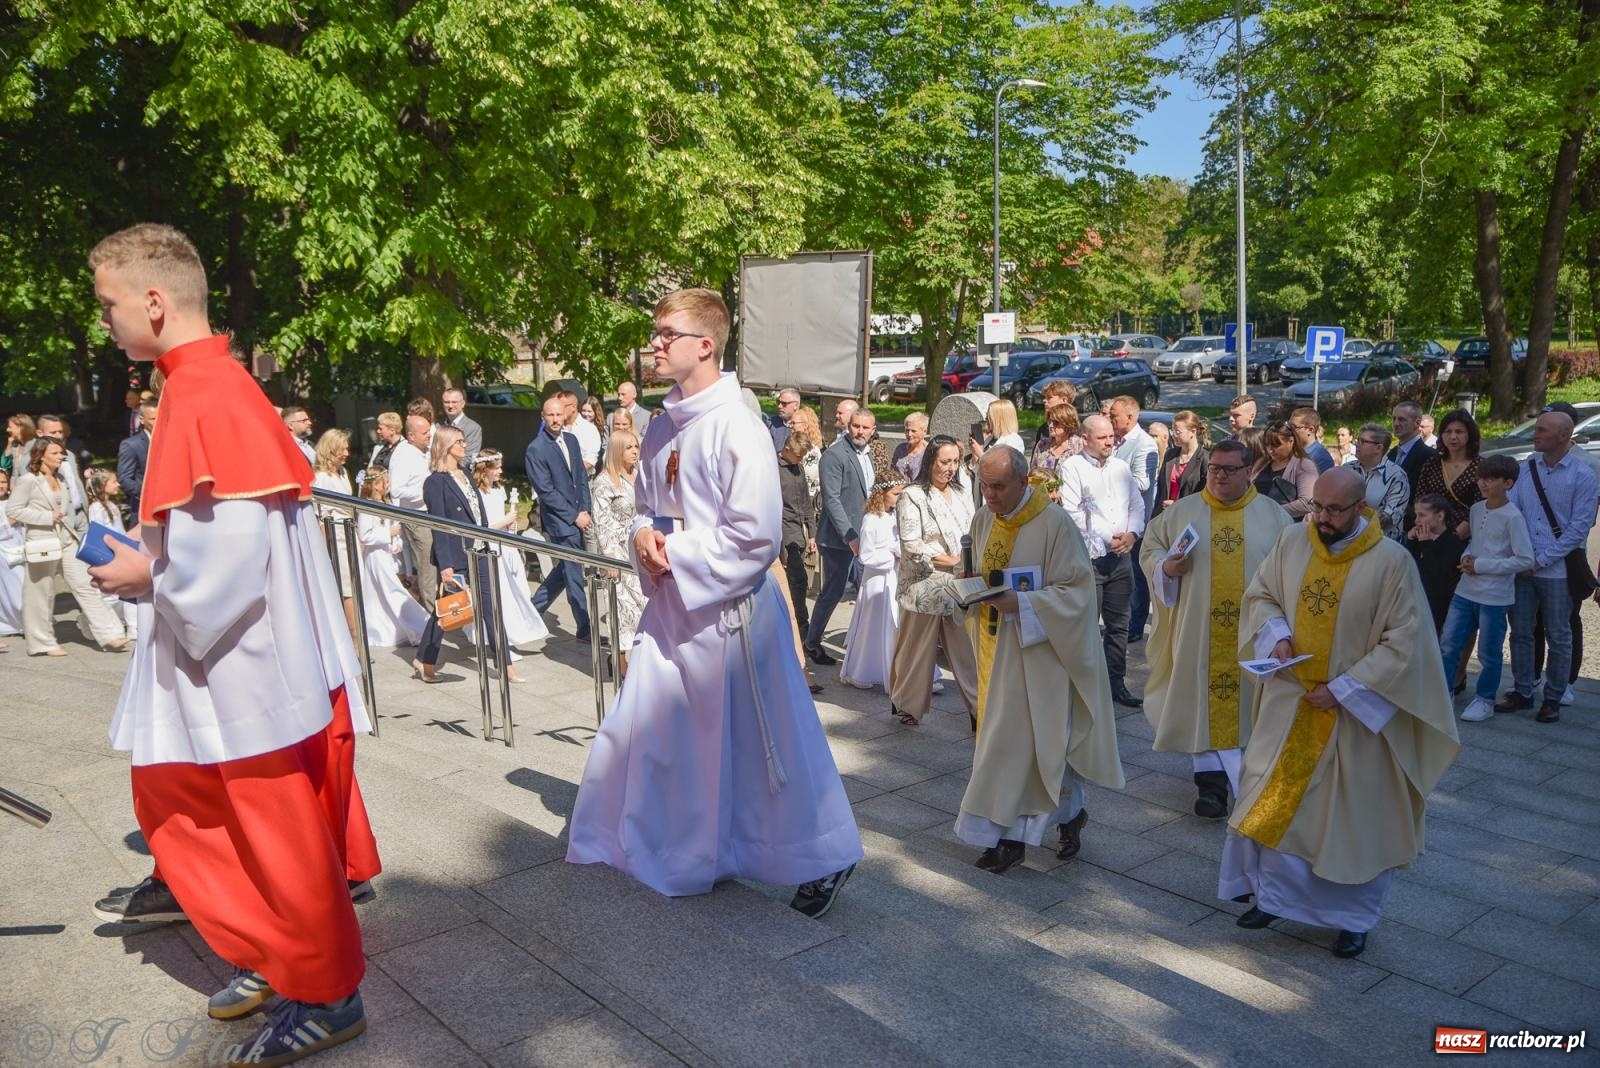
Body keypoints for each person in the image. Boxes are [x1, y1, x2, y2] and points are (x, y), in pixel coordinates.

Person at [85, 223, 378, 1063]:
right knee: (205, 814)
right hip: (244, 658)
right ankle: (274, 956)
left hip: (244, 666)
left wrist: (144, 576)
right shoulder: (207, 382)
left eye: (109, 304)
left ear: (152, 301)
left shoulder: (206, 392)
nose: (103, 321)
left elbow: (223, 566)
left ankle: (327, 992)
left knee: (257, 828)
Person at [566, 288, 862, 915]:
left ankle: (827, 853)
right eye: (655, 331)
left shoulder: (737, 424)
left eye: (666, 333)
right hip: (674, 610)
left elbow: (754, 535)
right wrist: (644, 534)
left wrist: (673, 552)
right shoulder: (660, 426)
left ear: (705, 345)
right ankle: (665, 842)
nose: (654, 342)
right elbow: (647, 504)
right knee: (650, 731)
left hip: (732, 616)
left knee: (768, 743)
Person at [1222, 467, 1459, 959]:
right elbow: (1262, 595)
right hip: (1292, 702)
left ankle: (1353, 920)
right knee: (1274, 800)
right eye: (1317, 507)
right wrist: (1276, 635)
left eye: (1334, 510)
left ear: (1361, 509)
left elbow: (1407, 643)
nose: (1323, 519)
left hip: (1356, 715)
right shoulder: (1294, 542)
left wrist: (1346, 689)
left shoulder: (1391, 563)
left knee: (1355, 822)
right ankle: (1274, 898)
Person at [955, 447, 1125, 874]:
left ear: (1023, 482)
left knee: (1042, 748)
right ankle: (1025, 830)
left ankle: (1022, 834)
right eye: (983, 486)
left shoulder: (1056, 525)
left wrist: (1025, 604)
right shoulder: (983, 519)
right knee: (1010, 748)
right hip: (996, 652)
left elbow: (1078, 595)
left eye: (997, 487)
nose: (989, 496)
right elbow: (974, 570)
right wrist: (967, 585)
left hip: (1042, 656)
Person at [1141, 440, 1292, 818]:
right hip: (1197, 629)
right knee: (1201, 700)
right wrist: (1166, 568)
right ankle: (1209, 787)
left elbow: (1292, 570)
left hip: (1253, 632)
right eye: (1214, 469)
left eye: (1229, 469)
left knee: (1249, 705)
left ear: (1248, 471)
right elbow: (1151, 548)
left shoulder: (1273, 517)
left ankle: (1248, 776)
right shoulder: (1184, 512)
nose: (1219, 475)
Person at [1498, 410, 1598, 723]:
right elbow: (1511, 510)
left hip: (1556, 571)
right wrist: (1518, 556)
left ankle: (1553, 696)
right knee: (1521, 632)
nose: (1535, 434)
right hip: (1524, 567)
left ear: (1563, 436)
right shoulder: (1527, 468)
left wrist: (1539, 561)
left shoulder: (1583, 476)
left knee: (1559, 634)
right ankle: (1523, 690)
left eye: (1542, 430)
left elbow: (1578, 530)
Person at [414, 426, 522, 684]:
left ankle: (505, 665)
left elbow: (479, 513)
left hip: (480, 549)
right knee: (449, 610)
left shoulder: (465, 475)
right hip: (455, 553)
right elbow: (439, 525)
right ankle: (425, 659)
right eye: (459, 442)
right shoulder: (435, 482)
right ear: (446, 446)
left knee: (490, 607)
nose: (465, 446)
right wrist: (445, 564)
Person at [7, 438, 132, 655]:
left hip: (66, 540)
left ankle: (110, 633)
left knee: (85, 585)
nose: (60, 457)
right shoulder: (29, 480)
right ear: (41, 455)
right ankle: (42, 643)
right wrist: (46, 516)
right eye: (55, 453)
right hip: (42, 541)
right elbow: (14, 510)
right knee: (41, 593)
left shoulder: (62, 478)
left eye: (61, 453)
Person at [1056, 414, 1145, 708]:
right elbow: (1073, 512)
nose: (1110, 442)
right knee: (1086, 625)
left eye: (1111, 437)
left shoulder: (1120, 467)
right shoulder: (1072, 467)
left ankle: (1116, 683)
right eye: (1103, 438)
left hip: (1120, 559)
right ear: (1086, 439)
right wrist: (1110, 537)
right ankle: (1085, 685)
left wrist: (1132, 534)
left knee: (1120, 624)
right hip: (1090, 560)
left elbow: (1136, 504)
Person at [890, 437, 979, 727]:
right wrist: (947, 559)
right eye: (944, 461)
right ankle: (905, 704)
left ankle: (980, 709)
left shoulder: (962, 491)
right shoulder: (912, 495)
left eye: (955, 461)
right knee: (915, 653)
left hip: (960, 583)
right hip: (923, 585)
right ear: (930, 461)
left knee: (968, 653)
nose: (950, 468)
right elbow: (911, 544)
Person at [1445, 455, 1534, 722]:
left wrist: (1481, 564)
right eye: (1482, 477)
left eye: (1492, 479)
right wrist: (1467, 557)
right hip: (1465, 590)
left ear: (1508, 483)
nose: (1484, 483)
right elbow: (1475, 541)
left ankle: (1484, 698)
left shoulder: (1513, 516)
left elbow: (1524, 559)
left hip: (1495, 596)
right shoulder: (1476, 508)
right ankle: (1444, 692)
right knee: (1448, 645)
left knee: (1489, 652)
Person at [807, 406, 876, 665]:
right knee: (833, 593)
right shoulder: (835, 455)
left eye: (864, 427)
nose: (859, 431)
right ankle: (812, 643)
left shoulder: (870, 454)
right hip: (839, 539)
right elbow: (832, 500)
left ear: (873, 430)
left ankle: (864, 646)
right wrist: (850, 536)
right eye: (855, 426)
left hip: (867, 535)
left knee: (868, 592)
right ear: (850, 426)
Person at [525, 395, 593, 643]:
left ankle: (530, 611)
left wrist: (586, 510)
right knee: (574, 574)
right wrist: (574, 516)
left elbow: (581, 480)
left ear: (565, 415)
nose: (555, 419)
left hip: (581, 516)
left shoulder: (572, 440)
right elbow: (546, 492)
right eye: (550, 415)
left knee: (564, 571)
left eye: (558, 414)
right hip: (561, 522)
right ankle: (585, 629)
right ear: (542, 417)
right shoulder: (536, 449)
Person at [472, 449, 550, 652]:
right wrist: (503, 522)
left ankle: (515, 632)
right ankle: (498, 638)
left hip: (505, 544)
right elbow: (481, 526)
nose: (500, 471)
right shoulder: (477, 493)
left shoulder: (499, 489)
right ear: (484, 469)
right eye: (496, 468)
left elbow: (501, 515)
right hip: (489, 545)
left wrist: (510, 525)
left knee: (519, 590)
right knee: (501, 591)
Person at [587, 431, 646, 672]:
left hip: (640, 552)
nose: (634, 451)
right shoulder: (605, 481)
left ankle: (643, 661)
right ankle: (620, 664)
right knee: (621, 611)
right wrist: (609, 557)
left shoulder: (639, 476)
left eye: (636, 446)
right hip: (618, 555)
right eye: (628, 447)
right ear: (616, 451)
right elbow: (601, 522)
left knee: (644, 608)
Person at [840, 477, 902, 691]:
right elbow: (865, 556)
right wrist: (892, 556)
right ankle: (866, 670)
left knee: (894, 624)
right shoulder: (871, 519)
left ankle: (898, 671)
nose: (899, 497)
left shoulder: (893, 517)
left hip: (892, 579)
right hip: (876, 580)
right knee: (873, 626)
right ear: (881, 494)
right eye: (895, 493)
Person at [354, 469, 428, 647]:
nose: (388, 484)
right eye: (385, 481)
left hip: (387, 554)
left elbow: (395, 527)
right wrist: (388, 533)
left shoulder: (386, 502)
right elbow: (365, 535)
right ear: (376, 485)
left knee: (384, 595)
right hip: (376, 557)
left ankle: (395, 628)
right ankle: (418, 626)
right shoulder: (367, 506)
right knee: (393, 592)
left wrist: (397, 541)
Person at [1109, 397, 1158, 642]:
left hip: (1136, 524)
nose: (1110, 420)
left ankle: (1136, 626)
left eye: (1114, 416)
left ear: (1130, 417)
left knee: (1137, 578)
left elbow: (1143, 483)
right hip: (1116, 522)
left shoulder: (1145, 445)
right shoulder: (1116, 442)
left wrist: (1110, 476)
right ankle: (1120, 622)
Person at [312, 429, 358, 641]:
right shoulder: (321, 478)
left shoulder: (342, 472)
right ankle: (353, 637)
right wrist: (323, 548)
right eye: (343, 448)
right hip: (335, 535)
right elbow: (320, 516)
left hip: (349, 532)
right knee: (346, 586)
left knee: (355, 584)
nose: (347, 452)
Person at [85, 468, 140, 639]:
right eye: (113, 481)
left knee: (126, 591)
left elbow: (120, 531)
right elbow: (98, 532)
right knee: (109, 596)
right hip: (108, 553)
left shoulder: (112, 506)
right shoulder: (96, 508)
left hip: (119, 551)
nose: (118, 484)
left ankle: (133, 627)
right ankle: (89, 622)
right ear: (102, 486)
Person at [1411, 409, 1480, 540]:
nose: (1453, 436)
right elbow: (1420, 499)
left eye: (1459, 432)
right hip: (1429, 534)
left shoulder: (1480, 466)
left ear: (1470, 434)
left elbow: (1479, 507)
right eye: (1448, 431)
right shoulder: (1432, 464)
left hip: (1467, 538)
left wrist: (1451, 540)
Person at [388, 414, 435, 600]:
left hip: (429, 514)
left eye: (429, 432)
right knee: (427, 566)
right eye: (424, 433)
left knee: (432, 564)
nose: (428, 436)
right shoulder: (403, 455)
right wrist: (425, 494)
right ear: (411, 436)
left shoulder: (423, 451)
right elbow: (396, 490)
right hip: (416, 516)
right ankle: (430, 611)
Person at [1404, 494, 1465, 637]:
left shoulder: (1452, 541)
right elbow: (1409, 567)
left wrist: (1426, 545)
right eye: (1416, 515)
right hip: (1416, 601)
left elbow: (1436, 575)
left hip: (1438, 605)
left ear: (1439, 516)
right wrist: (1411, 542)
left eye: (1422, 515)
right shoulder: (1419, 536)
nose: (1417, 520)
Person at [777, 431, 816, 644]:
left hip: (797, 533)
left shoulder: (797, 467)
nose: (800, 460)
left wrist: (812, 532)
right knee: (795, 581)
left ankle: (801, 629)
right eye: (798, 456)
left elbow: (806, 503)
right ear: (787, 449)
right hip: (783, 534)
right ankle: (801, 628)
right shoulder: (774, 468)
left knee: (799, 583)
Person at [1345, 423, 1410, 538]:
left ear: (1379, 448)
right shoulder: (1347, 469)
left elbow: (1389, 517)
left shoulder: (1396, 477)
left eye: (1363, 441)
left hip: (1382, 544)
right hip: (1346, 539)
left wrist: (1349, 526)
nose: (1357, 444)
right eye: (1358, 440)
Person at [1251, 421, 1317, 521]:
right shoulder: (1262, 462)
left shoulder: (1304, 465)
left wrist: (1272, 512)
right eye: (1267, 445)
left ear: (1290, 441)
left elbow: (1307, 503)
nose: (1270, 450)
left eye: (1275, 445)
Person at [1155, 410, 1208, 515]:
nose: (1173, 435)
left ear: (1193, 432)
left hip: (1190, 518)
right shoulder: (1170, 455)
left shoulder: (1205, 459)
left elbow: (1206, 497)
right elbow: (1161, 491)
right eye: (1172, 431)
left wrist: (1177, 505)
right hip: (1166, 517)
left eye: (1177, 432)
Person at [118, 399, 157, 523]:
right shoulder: (131, 445)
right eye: (153, 419)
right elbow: (125, 479)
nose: (158, 422)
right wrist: (147, 492)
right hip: (145, 509)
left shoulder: (173, 441)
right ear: (142, 419)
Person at [0, 469, 22, 645]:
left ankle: (25, 622)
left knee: (24, 587)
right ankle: (12, 623)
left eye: (3, 482)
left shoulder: (14, 502)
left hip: (20, 549)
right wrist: (9, 522)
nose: (1, 485)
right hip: (3, 553)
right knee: (11, 591)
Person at [560, 389, 603, 474]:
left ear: (573, 407)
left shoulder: (589, 429)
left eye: (562, 406)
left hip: (582, 481)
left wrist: (567, 475)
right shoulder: (556, 428)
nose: (559, 410)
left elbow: (590, 460)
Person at [1031, 407, 1082, 476]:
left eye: (1055, 423)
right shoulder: (1042, 444)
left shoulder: (1079, 445)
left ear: (1068, 424)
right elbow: (1033, 473)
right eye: (1049, 421)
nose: (1051, 425)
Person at [437, 388, 483, 459]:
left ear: (463, 404)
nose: (450, 406)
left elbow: (469, 459)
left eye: (454, 402)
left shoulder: (473, 428)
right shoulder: (438, 425)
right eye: (447, 402)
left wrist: (447, 466)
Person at [1289, 407, 1335, 474]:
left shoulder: (1322, 458)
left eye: (1294, 427)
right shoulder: (1293, 452)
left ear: (1311, 430)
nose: (1290, 431)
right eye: (1289, 427)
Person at [893, 411, 929, 480]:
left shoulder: (929, 452)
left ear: (924, 431)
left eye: (913, 431)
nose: (909, 434)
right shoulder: (900, 449)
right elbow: (892, 471)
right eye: (907, 430)